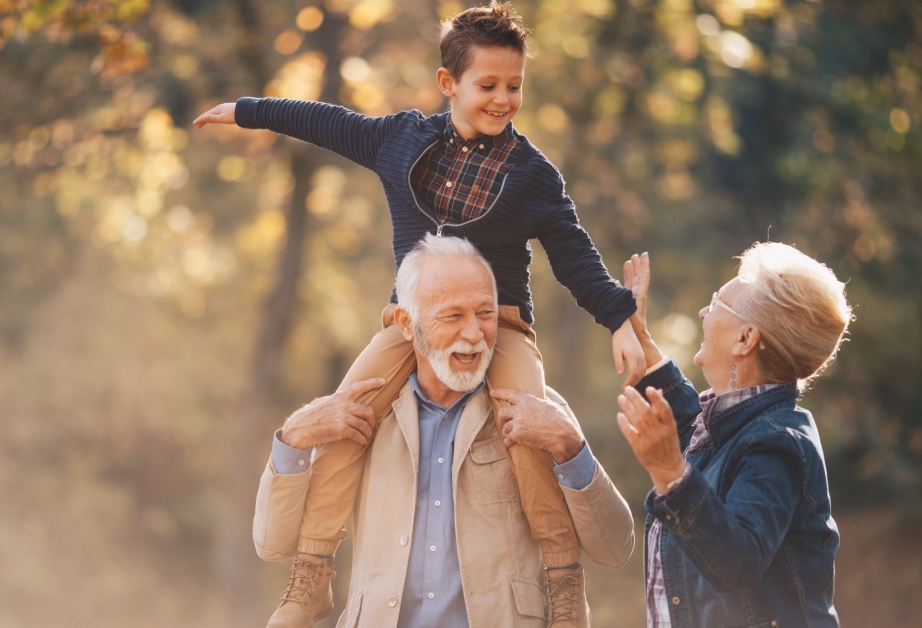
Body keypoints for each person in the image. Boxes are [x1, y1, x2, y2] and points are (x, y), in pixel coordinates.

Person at [195, 2, 644, 623]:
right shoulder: (400, 140)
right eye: (488, 85)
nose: (504, 100)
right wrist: (248, 110)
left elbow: (574, 255)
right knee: (347, 417)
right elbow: (324, 121)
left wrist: (619, 317)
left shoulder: (533, 176)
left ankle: (564, 583)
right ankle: (312, 574)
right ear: (448, 83)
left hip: (501, 324)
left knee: (526, 431)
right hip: (411, 321)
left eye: (514, 86)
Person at [253, 235, 636, 627]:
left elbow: (615, 548)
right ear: (407, 324)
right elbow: (271, 542)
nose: (474, 333)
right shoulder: (365, 414)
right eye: (453, 316)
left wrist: (572, 447)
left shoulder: (536, 409)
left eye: (485, 314)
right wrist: (294, 437)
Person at [612, 244, 851, 627]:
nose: (703, 312)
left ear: (745, 339)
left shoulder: (778, 443)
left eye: (716, 302)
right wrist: (640, 338)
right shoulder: (737, 428)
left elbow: (739, 562)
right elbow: (691, 427)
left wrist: (671, 473)